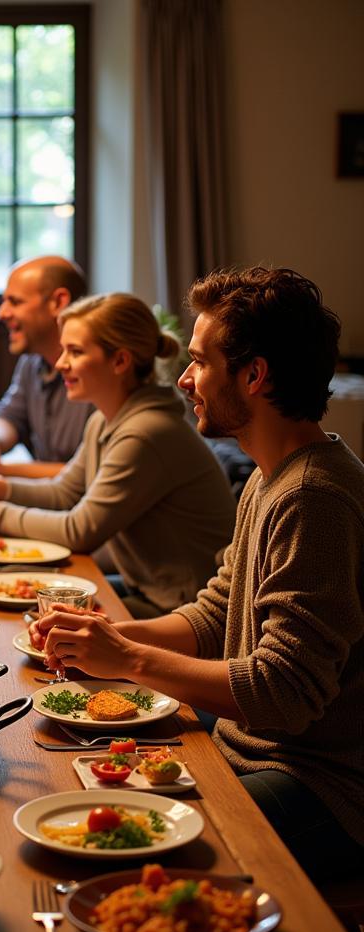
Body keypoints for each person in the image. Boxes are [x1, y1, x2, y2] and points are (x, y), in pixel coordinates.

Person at [31, 267, 363, 879]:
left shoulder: (314, 496)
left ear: (254, 375)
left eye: (199, 362)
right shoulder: (270, 477)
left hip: (318, 786)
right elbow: (216, 615)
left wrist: (127, 659)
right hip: (252, 747)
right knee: (67, 775)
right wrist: (108, 637)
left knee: (114, 849)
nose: (184, 380)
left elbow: (285, 694)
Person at [0, 293, 235, 618]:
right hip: (149, 592)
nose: (60, 363)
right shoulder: (106, 418)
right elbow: (65, 492)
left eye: (75, 351)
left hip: (187, 612)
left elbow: (80, 531)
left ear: (120, 361)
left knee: (25, 618)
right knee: (22, 603)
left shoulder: (145, 432)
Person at [0, 256, 93, 479]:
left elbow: (91, 473)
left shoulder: (98, 369)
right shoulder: (32, 361)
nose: (2, 313)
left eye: (15, 302)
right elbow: (11, 416)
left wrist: (0, 471)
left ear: (58, 302)